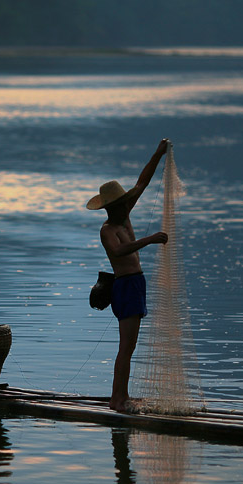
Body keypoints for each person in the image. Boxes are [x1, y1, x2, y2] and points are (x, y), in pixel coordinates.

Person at [87, 138, 170, 412]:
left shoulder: (124, 215)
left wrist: (157, 154)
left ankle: (122, 396)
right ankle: (117, 399)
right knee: (126, 347)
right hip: (124, 286)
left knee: (130, 346)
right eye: (123, 203)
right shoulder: (108, 230)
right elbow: (120, 252)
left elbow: (142, 182)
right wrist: (149, 239)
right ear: (111, 207)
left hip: (137, 284)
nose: (128, 204)